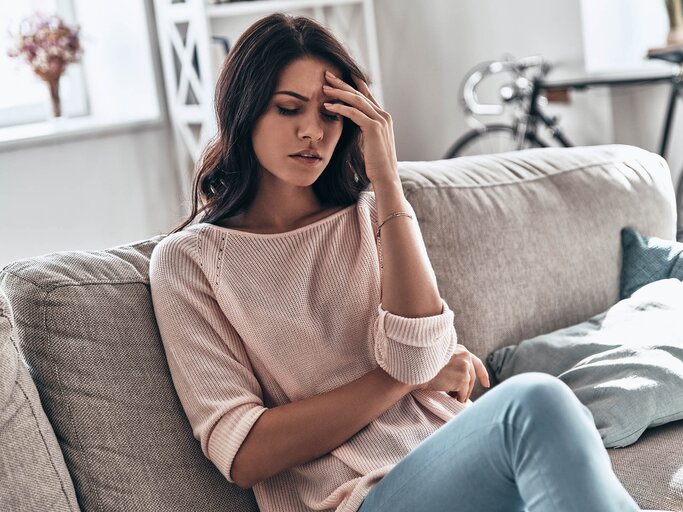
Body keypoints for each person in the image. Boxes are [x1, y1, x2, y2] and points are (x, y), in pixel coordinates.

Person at [149, 13, 641, 512]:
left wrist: (385, 179)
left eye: (331, 113)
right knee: (535, 402)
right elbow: (246, 452)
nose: (312, 132)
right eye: (288, 109)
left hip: (452, 461)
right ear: (244, 111)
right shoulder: (190, 263)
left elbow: (425, 355)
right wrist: (400, 380)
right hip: (361, 498)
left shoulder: (371, 215)